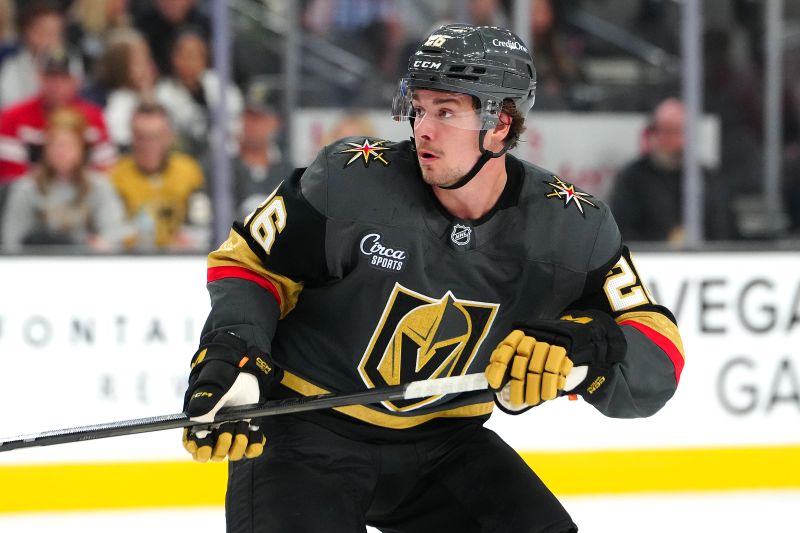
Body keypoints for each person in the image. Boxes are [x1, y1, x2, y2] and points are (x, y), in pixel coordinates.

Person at [181, 24, 685, 533]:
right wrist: (234, 351)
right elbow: (250, 265)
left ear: (501, 125)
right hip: (304, 433)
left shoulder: (572, 227)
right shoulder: (350, 179)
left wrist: (580, 353)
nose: (422, 128)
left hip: (446, 443)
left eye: (445, 111)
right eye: (419, 108)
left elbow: (657, 357)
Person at [610, 97, 738, 243]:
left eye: (682, 131)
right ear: (654, 133)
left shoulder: (708, 178)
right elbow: (622, 234)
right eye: (669, 131)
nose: (677, 141)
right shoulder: (633, 179)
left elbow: (726, 232)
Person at [1, 106, 126, 251]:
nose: (61, 152)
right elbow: (12, 241)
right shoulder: (27, 188)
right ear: (45, 148)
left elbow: (115, 234)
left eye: (68, 145)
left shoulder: (99, 186)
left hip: (86, 265)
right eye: (55, 145)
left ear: (82, 149)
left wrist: (100, 245)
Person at [0, 46, 117, 183]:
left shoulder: (95, 118)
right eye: (51, 77)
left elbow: (106, 172)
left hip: (84, 198)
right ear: (40, 78)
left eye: (64, 78)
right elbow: (11, 178)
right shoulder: (13, 117)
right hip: (30, 198)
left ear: (77, 81)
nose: (57, 85)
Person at [109, 102, 207, 251]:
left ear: (170, 136)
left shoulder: (189, 171)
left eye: (156, 137)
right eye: (141, 137)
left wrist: (188, 239)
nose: (148, 145)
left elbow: (201, 222)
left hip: (181, 257)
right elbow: (112, 232)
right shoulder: (115, 176)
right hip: (133, 260)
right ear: (132, 137)